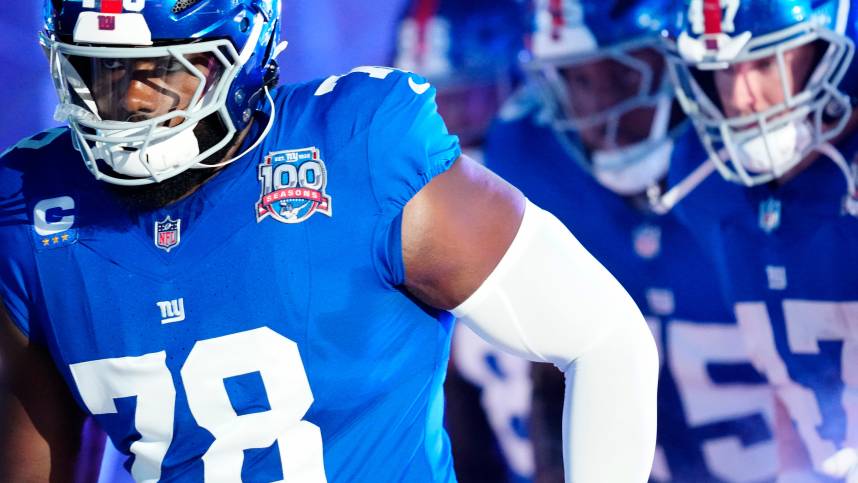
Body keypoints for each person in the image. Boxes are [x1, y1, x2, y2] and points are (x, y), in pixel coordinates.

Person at [0, 1, 658, 482]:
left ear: (241, 50)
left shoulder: (356, 150)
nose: (130, 111)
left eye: (164, 73)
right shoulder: (30, 210)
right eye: (103, 75)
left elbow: (604, 338)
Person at [485, 0, 778, 481]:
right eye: (580, 80)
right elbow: (551, 375)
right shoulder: (532, 161)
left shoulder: (760, 165)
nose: (604, 112)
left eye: (626, 77)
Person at [662, 0, 858, 480]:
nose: (742, 97)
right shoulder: (702, 178)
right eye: (724, 70)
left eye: (767, 62)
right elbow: (794, 372)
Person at [393, 1, 535, 482]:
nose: (445, 121)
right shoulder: (408, 224)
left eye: (465, 95)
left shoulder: (559, 192)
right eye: (430, 102)